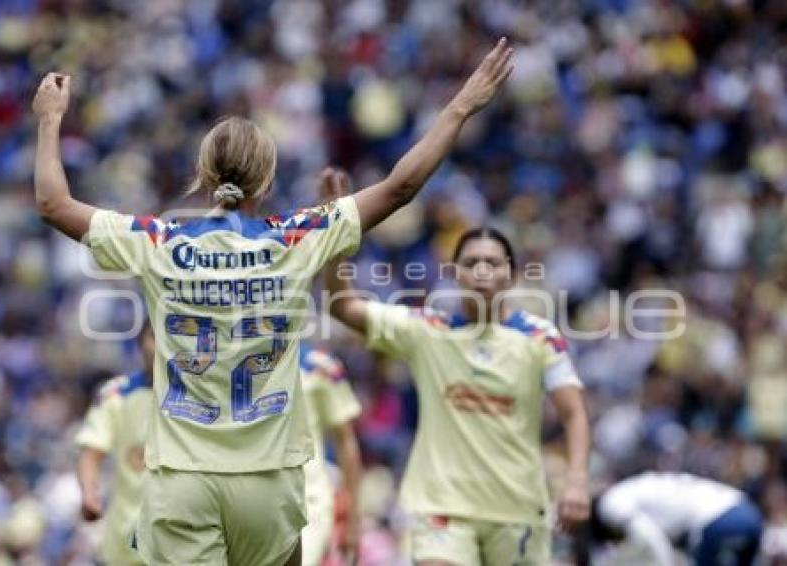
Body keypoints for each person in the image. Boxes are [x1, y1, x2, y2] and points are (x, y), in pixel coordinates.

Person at [32, 38, 514, 566]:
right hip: (271, 484)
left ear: (205, 176)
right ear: (266, 177)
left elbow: (53, 203)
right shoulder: (297, 238)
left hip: (184, 478)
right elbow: (400, 187)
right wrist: (461, 106)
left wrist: (50, 119)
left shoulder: (159, 241)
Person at [322, 172, 591, 564]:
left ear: (512, 275)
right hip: (441, 507)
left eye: (492, 263)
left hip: (516, 508)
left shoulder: (540, 337)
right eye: (472, 263)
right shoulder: (428, 331)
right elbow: (343, 308)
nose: (482, 270)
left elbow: (574, 412)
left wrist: (577, 480)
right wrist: (337, 230)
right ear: (455, 273)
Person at [75, 322, 155, 565]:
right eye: (154, 336)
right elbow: (92, 452)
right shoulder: (117, 394)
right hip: (126, 542)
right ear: (140, 342)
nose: (162, 345)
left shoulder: (205, 396)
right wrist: (90, 493)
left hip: (186, 541)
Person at [588, 471, 763, 566]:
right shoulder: (632, 488)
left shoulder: (609, 503)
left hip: (718, 521)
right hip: (749, 512)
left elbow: (651, 536)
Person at [299, 343, 362, 566]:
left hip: (308, 502)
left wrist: (352, 520)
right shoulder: (226, 360)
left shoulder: (319, 366)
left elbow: (345, 440)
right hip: (245, 501)